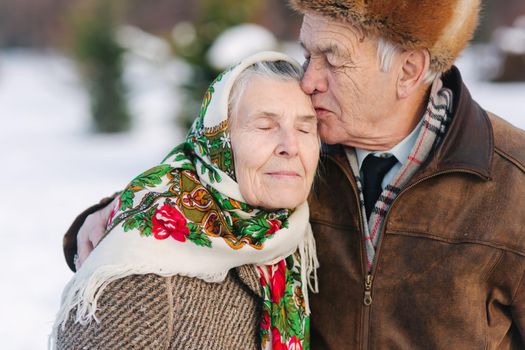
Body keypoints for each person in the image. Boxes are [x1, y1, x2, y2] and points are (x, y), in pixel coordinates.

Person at [65, 0, 525, 348]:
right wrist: (115, 212)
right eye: (308, 54)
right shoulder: (300, 151)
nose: (308, 81)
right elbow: (205, 177)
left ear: (409, 70)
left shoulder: (512, 183)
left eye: (332, 57)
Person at [51, 51, 321, 349]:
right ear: (218, 142)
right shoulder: (141, 269)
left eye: (305, 128)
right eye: (265, 126)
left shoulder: (300, 228)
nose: (291, 146)